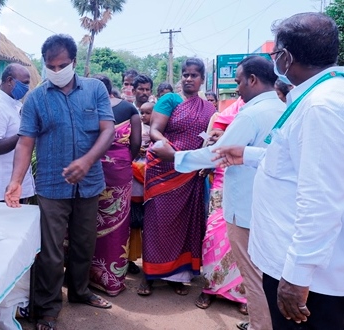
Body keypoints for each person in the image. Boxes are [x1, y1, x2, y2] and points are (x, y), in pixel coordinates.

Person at [214, 13, 344, 329]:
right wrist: (249, 154)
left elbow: (322, 199)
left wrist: (297, 276)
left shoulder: (320, 107)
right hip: (302, 267)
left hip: (309, 279)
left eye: (276, 55)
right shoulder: (317, 96)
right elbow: (297, 162)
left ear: (285, 58)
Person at [155, 55, 283, 329]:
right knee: (268, 275)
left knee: (254, 277)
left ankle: (260, 325)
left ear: (252, 80)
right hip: (271, 205)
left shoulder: (251, 113)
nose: (237, 89)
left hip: (246, 206)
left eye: (238, 82)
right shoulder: (287, 107)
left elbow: (217, 155)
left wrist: (173, 156)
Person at [5, 34, 115, 330]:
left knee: (84, 244)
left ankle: (80, 291)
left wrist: (87, 161)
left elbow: (108, 130)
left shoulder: (94, 90)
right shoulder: (36, 98)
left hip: (89, 183)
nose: (56, 71)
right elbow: (25, 143)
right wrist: (16, 180)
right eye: (50, 66)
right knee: (51, 252)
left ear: (74, 62)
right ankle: (48, 308)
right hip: (52, 186)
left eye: (62, 65)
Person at [138, 58, 215, 297]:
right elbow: (155, 130)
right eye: (185, 74)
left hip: (190, 174)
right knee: (157, 222)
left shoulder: (209, 109)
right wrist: (175, 154)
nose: (188, 78)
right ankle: (150, 275)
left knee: (185, 224)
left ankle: (177, 276)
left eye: (194, 75)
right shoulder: (169, 100)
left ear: (202, 79)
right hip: (163, 169)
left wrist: (203, 160)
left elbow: (212, 137)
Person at [89, 74, 141, 296]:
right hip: (119, 171)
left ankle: (84, 277)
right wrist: (122, 160)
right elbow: (136, 144)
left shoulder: (87, 107)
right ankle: (112, 281)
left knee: (86, 222)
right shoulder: (130, 110)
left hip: (90, 169)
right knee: (118, 223)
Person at [0, 64, 35, 203]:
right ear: (10, 81)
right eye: (25, 83)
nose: (27, 88)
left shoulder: (16, 105)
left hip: (19, 186)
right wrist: (25, 133)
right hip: (3, 188)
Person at [128, 101, 153, 275]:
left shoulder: (160, 130)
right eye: (141, 113)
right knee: (132, 225)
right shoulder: (135, 127)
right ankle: (130, 259)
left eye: (147, 113)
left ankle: (150, 261)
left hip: (150, 177)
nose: (143, 116)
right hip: (135, 178)